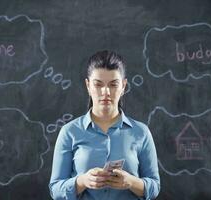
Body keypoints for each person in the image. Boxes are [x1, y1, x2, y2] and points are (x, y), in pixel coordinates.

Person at [49, 50, 160, 200]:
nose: (106, 92)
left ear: (123, 86)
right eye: (98, 84)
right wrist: (82, 181)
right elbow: (55, 189)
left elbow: (155, 187)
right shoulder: (69, 132)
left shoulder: (141, 132)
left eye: (113, 85)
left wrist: (131, 182)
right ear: (88, 86)